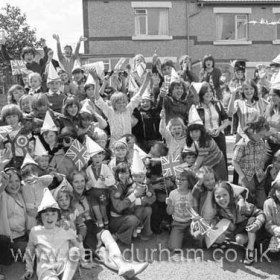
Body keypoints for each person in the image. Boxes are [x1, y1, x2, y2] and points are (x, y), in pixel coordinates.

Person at [69, 169, 148, 278]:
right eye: (76, 182)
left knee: (106, 234)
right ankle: (124, 266)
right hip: (81, 232)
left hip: (93, 225)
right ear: (71, 183)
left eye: (82, 181)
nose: (80, 184)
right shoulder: (68, 199)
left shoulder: (89, 195)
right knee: (101, 251)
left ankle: (123, 266)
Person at [22, 188, 80, 280]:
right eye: (46, 214)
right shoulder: (35, 231)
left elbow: (77, 244)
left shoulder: (64, 229)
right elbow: (30, 250)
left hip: (64, 266)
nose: (50, 218)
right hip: (46, 267)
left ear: (58, 216)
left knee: (74, 251)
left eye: (53, 214)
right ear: (40, 216)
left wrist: (85, 260)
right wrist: (29, 269)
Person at [212, 181, 265, 265]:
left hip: (254, 230)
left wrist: (257, 224)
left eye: (225, 195)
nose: (221, 199)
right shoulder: (218, 209)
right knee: (238, 238)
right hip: (239, 231)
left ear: (230, 194)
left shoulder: (242, 206)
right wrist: (212, 226)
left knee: (251, 220)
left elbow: (260, 213)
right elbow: (214, 219)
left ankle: (250, 249)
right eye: (218, 196)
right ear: (214, 198)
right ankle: (245, 243)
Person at [96, 71, 152, 146]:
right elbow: (98, 99)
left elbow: (139, 95)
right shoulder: (110, 111)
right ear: (113, 104)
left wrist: (146, 80)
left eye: (124, 102)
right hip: (115, 143)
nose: (122, 105)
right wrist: (96, 80)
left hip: (128, 142)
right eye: (118, 103)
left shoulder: (128, 109)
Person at [232, 116, 269, 208]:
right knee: (248, 203)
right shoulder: (242, 144)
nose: (262, 137)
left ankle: (261, 215)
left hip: (259, 177)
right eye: (260, 135)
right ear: (251, 130)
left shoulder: (260, 142)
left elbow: (262, 157)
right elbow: (234, 161)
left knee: (262, 204)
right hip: (246, 179)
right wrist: (242, 176)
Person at [191, 81, 230, 163]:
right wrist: (207, 131)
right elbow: (195, 125)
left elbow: (226, 121)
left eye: (210, 91)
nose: (209, 94)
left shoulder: (217, 104)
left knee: (222, 161)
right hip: (204, 138)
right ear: (201, 93)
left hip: (219, 136)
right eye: (206, 92)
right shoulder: (196, 107)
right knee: (207, 162)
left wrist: (219, 129)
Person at [186, 106, 228, 180]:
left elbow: (199, 159)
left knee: (219, 181)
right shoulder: (196, 139)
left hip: (217, 161)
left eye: (196, 131)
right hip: (206, 162)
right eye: (191, 132)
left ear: (201, 131)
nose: (194, 134)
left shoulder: (205, 141)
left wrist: (192, 169)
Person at [166, 169, 197, 257]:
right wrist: (170, 205)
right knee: (174, 247)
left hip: (190, 223)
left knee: (198, 241)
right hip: (177, 224)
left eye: (183, 180)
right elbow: (169, 212)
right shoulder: (173, 193)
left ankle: (183, 236)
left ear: (189, 182)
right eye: (178, 179)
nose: (179, 181)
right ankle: (178, 235)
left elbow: (195, 209)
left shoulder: (192, 193)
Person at [86, 137, 115, 228]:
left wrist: (105, 180)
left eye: (99, 156)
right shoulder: (88, 169)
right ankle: (100, 222)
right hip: (92, 192)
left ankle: (106, 221)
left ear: (103, 157)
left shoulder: (105, 167)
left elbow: (112, 180)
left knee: (103, 209)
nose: (97, 159)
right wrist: (88, 185)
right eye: (94, 157)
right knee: (96, 209)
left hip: (102, 192)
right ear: (91, 158)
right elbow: (87, 182)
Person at [263, 172, 280, 253]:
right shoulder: (268, 203)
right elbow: (268, 225)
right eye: (279, 190)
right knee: (274, 250)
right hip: (274, 233)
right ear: (274, 190)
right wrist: (277, 230)